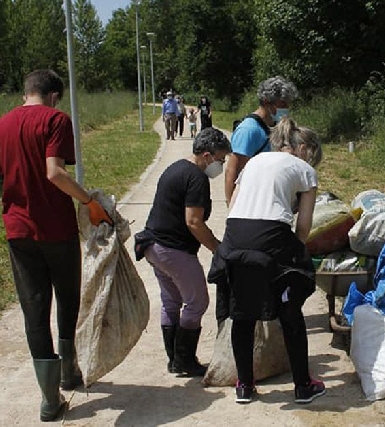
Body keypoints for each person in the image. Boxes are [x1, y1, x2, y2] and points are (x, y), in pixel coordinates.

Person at [0, 69, 114, 422]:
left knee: (34, 309)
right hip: (56, 230)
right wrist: (89, 202)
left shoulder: (2, 124)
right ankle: (69, 372)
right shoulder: (55, 119)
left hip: (18, 232)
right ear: (53, 95)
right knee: (66, 298)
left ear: (27, 92)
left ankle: (50, 401)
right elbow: (55, 172)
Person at [208, 117, 324, 404]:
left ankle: (245, 386)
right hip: (272, 235)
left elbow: (233, 204)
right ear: (303, 148)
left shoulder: (253, 163)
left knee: (242, 312)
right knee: (290, 309)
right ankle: (302, 386)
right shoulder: (305, 170)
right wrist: (295, 256)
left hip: (235, 235)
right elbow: (305, 227)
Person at [136, 127, 231, 376]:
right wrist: (217, 249)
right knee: (197, 301)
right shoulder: (196, 177)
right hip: (172, 249)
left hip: (153, 246)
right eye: (220, 159)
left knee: (171, 302)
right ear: (207, 155)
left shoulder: (176, 167)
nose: (221, 165)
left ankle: (174, 360)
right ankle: (184, 361)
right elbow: (194, 222)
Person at [224, 76, 298, 205]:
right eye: (282, 104)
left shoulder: (275, 126)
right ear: (266, 102)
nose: (286, 108)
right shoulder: (248, 129)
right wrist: (232, 207)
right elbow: (232, 171)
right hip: (250, 201)